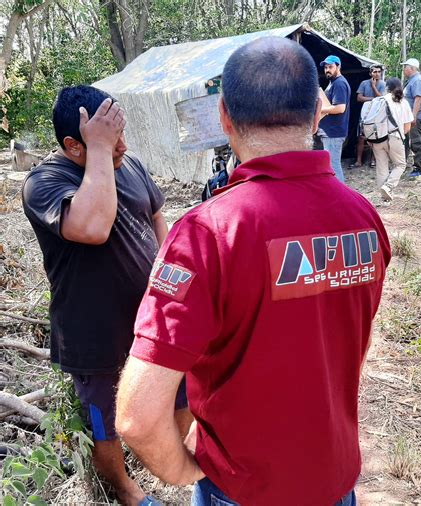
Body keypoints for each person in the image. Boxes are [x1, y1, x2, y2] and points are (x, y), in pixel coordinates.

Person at [115, 37, 391, 506]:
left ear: (224, 116)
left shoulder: (208, 234)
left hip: (243, 490)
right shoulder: (363, 217)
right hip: (335, 480)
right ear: (318, 110)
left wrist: (183, 471)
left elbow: (137, 418)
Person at [22, 85, 189, 506]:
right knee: (104, 422)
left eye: (121, 135)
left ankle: (175, 464)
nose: (124, 147)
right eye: (112, 139)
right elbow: (92, 227)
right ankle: (127, 491)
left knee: (181, 392)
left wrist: (170, 283)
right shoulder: (43, 183)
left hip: (151, 319)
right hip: (92, 332)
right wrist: (100, 149)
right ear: (73, 145)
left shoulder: (128, 162)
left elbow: (155, 217)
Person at [369, 77, 414, 201]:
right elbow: (407, 127)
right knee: (400, 164)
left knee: (382, 166)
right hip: (395, 137)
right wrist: (399, 137)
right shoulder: (403, 102)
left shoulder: (379, 100)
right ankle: (388, 187)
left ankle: (385, 199)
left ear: (386, 88)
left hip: (378, 138)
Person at [318, 55, 351, 183]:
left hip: (334, 132)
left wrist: (320, 110)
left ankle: (342, 197)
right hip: (330, 132)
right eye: (326, 67)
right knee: (331, 165)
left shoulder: (339, 83)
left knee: (334, 165)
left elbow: (340, 108)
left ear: (338, 66)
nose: (327, 70)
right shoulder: (333, 83)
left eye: (330, 67)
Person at [351, 64, 386, 168]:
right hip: (365, 114)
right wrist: (373, 99)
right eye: (374, 72)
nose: (377, 74)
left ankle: (373, 160)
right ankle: (358, 161)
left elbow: (382, 98)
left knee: (376, 137)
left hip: (377, 115)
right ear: (370, 73)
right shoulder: (364, 83)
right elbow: (359, 98)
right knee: (361, 137)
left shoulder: (383, 84)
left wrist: (374, 87)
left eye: (379, 72)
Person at [402, 57, 421, 177]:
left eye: (405, 67)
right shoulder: (411, 80)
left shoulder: (417, 80)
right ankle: (403, 165)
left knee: (416, 142)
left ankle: (419, 168)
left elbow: (418, 99)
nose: (403, 70)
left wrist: (413, 117)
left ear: (411, 68)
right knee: (406, 142)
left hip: (415, 117)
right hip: (408, 118)